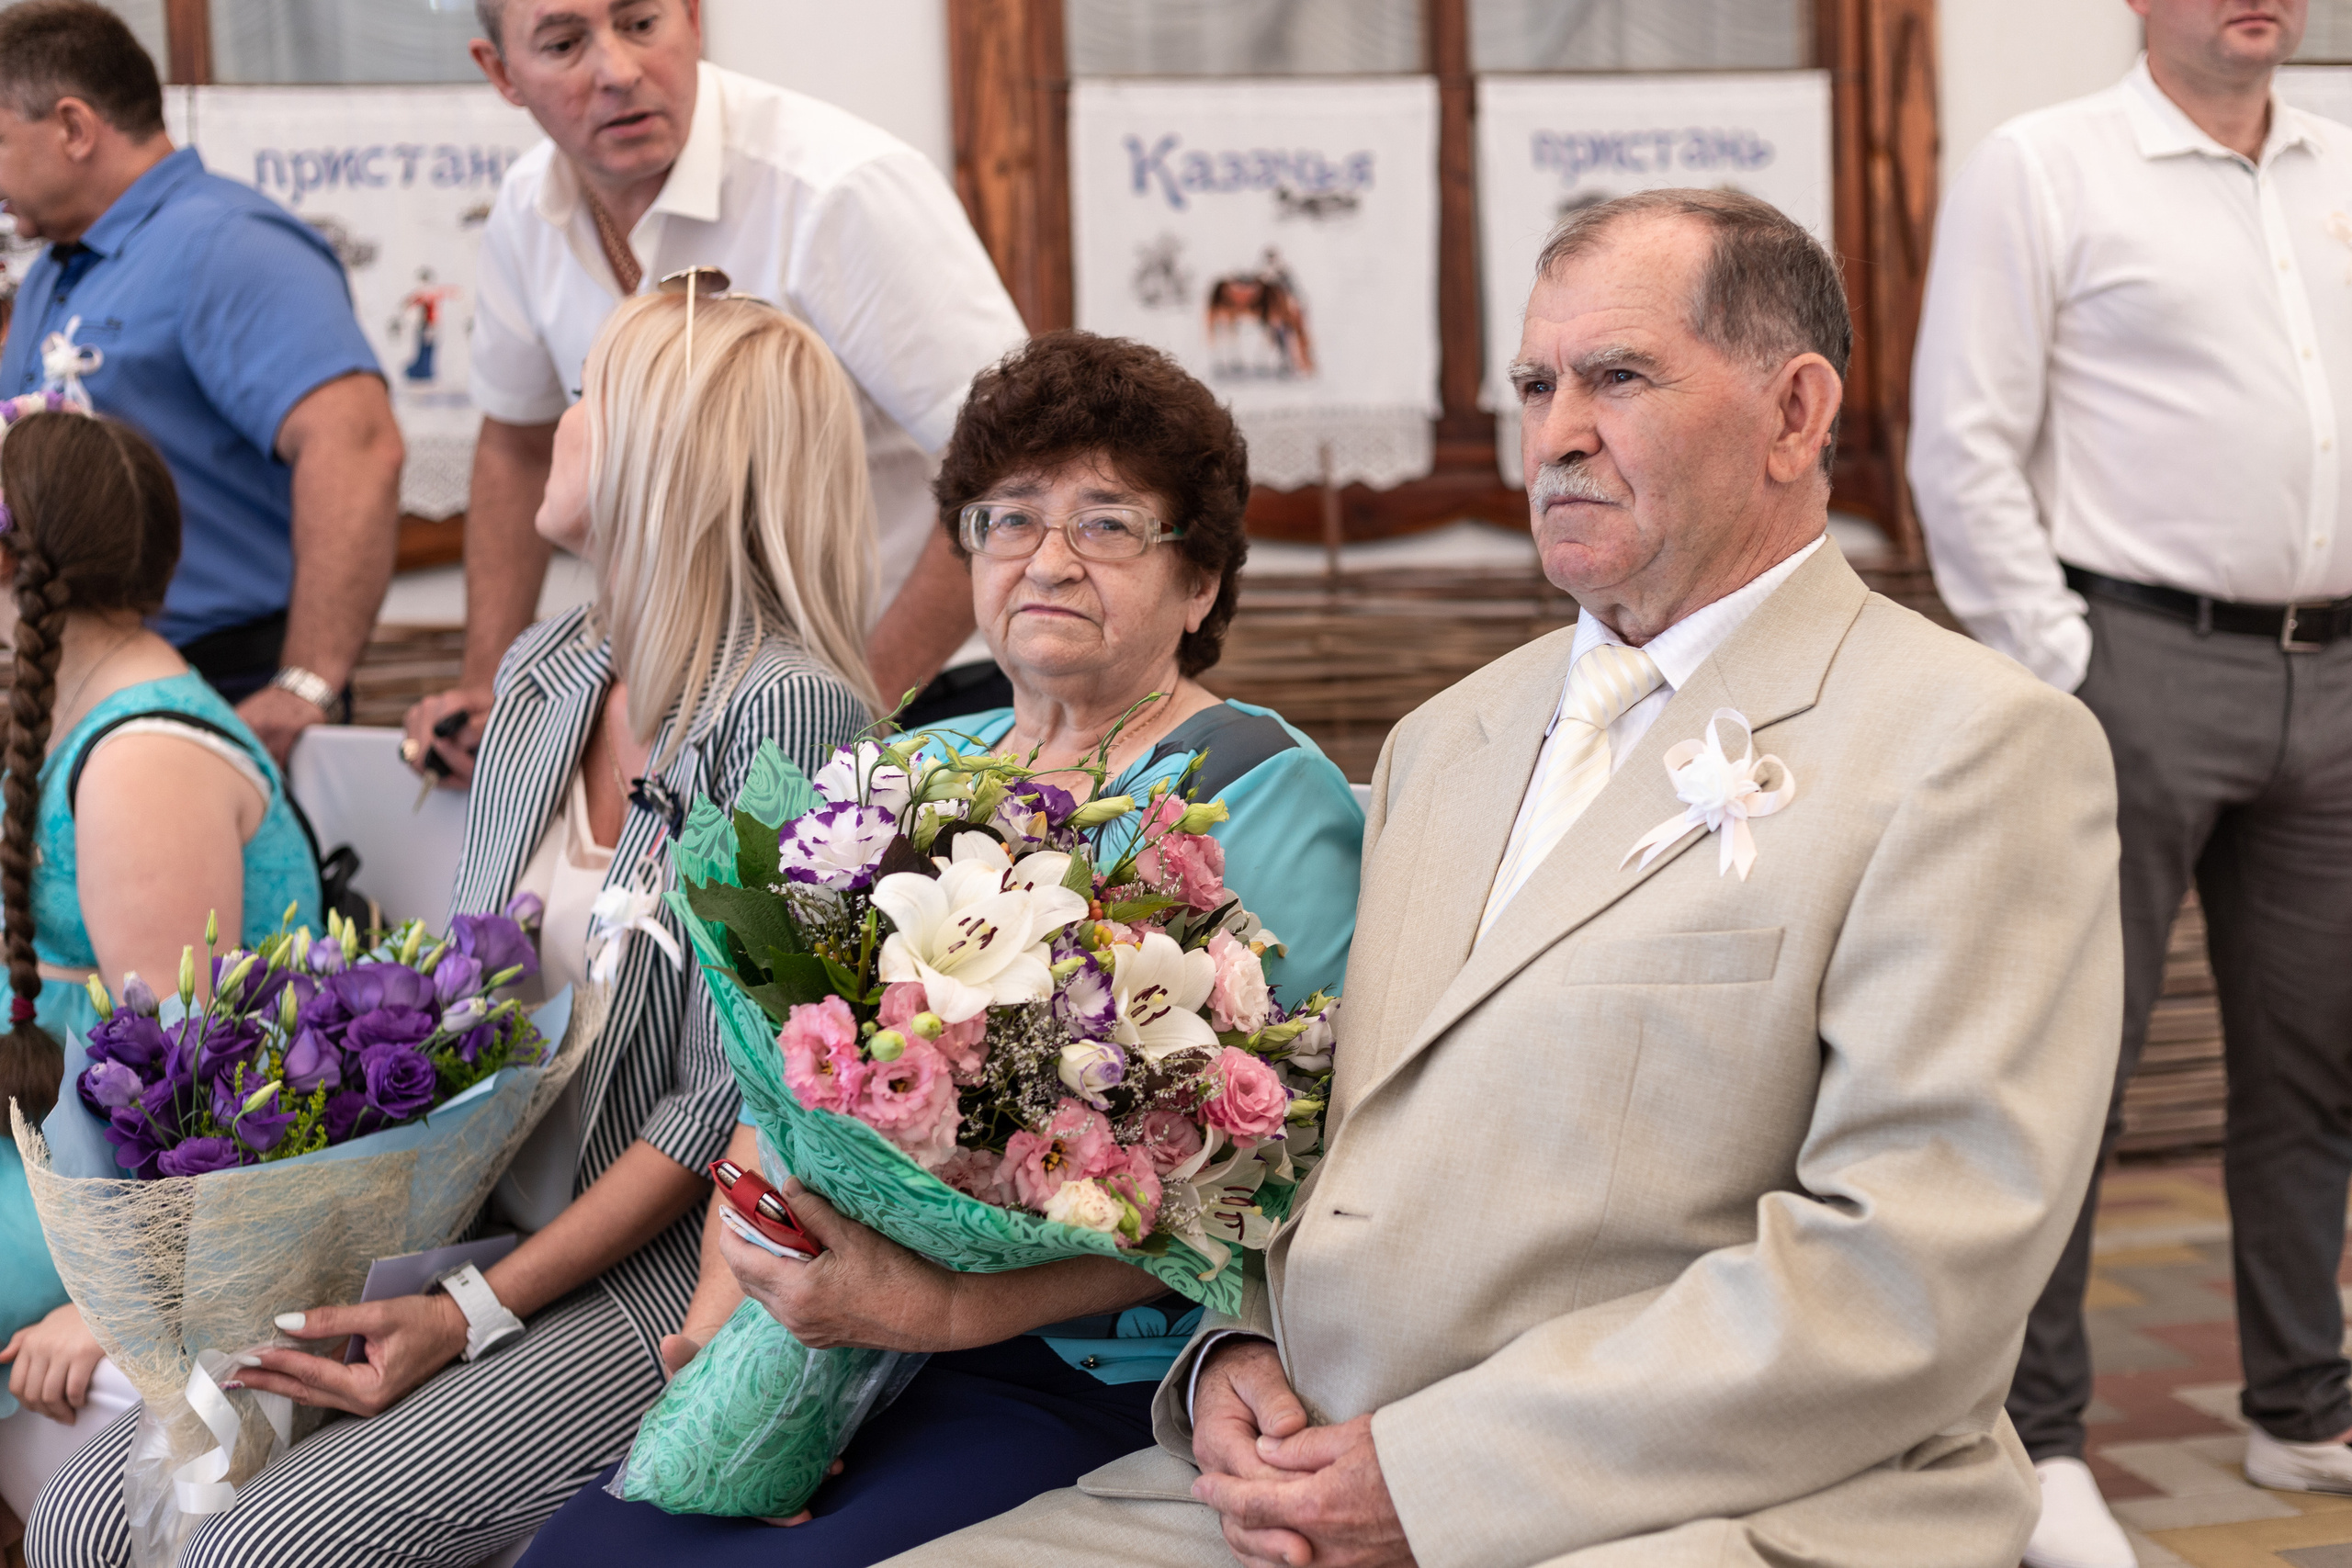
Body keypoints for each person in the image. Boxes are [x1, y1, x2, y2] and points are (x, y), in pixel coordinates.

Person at [866, 190, 2126, 1568]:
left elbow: (1905, 1282)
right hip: (1308, 1455)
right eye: (1537, 383)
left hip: (1697, 1499)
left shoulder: (1972, 748)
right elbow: (1337, 1147)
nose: (1559, 429)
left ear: (1795, 412)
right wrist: (1236, 1348)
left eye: (1619, 377)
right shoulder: (1445, 739)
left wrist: (1436, 1476)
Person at [24, 289, 877, 1566]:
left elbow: (717, 1108)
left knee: (257, 1551)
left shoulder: (791, 720)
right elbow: (474, 1008)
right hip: (462, 1218)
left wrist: (467, 1306)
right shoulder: (546, 672)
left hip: (646, 1257)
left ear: (667, 446)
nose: (548, 422)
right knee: (83, 1516)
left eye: (583, 393)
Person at [514, 330, 1364, 1568]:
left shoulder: (1262, 795)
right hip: (828, 1328)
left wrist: (936, 1305)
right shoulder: (903, 765)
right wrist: (723, 1336)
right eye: (1007, 518)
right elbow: (780, 1078)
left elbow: (1268, 1188)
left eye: (1110, 522)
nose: (1048, 558)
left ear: (1202, 581)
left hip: (1077, 1361)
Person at [1908, 4, 2352, 1562]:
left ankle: (2303, 1408)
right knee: (2067, 1075)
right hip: (2136, 669)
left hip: (2338, 674)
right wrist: (2067, 667)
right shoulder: (2046, 167)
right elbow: (1960, 445)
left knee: (2316, 1068)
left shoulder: (2339, 166)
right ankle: (2039, 1443)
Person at [400, 0, 1029, 790]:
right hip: (692, 710)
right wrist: (492, 691)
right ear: (501, 74)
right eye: (563, 43)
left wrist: (840, 718)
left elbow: (1018, 469)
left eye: (640, 23)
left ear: (694, 17)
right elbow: (518, 443)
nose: (618, 72)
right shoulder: (527, 211)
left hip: (926, 691)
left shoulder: (839, 189)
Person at [0, 404, 322, 1522]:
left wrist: (120, 1307)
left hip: (109, 1206)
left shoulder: (142, 760)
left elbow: (198, 1091)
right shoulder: (66, 717)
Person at [0, 0, 404, 764]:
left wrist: (306, 683)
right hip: (94, 676)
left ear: (74, 128)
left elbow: (358, 447)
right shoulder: (57, 270)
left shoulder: (229, 245)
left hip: (226, 679)